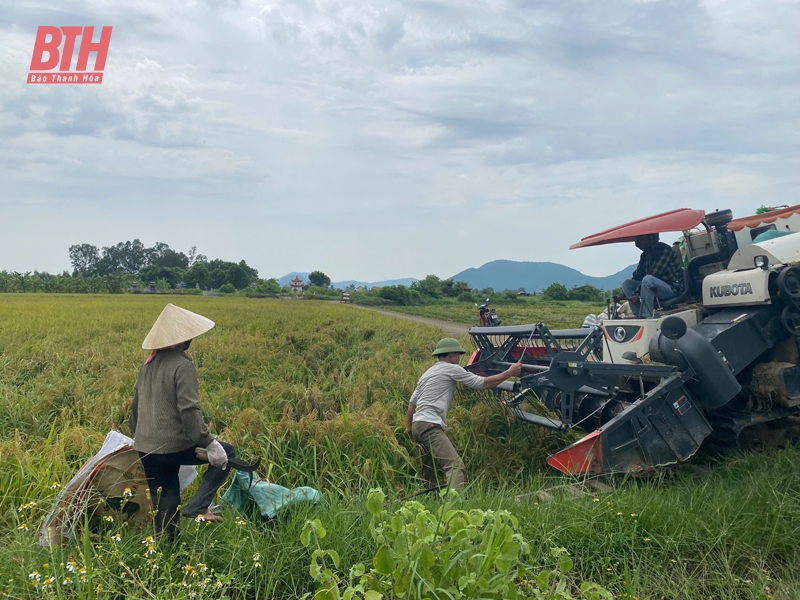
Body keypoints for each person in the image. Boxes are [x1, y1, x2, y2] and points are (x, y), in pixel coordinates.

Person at [129, 303, 236, 538]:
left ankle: (166, 551)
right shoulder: (182, 365)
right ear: (179, 341)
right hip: (172, 446)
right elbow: (189, 412)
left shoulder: (146, 366)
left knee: (166, 497)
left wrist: (139, 436)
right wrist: (209, 443)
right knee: (228, 453)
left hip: (145, 447)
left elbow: (135, 407)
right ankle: (198, 506)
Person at [405, 337, 522, 491]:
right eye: (458, 355)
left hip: (417, 426)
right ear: (451, 354)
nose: (459, 359)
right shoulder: (452, 368)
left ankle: (430, 500)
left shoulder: (428, 373)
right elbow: (483, 383)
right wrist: (509, 373)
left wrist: (409, 428)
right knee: (455, 465)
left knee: (430, 467)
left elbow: (412, 404)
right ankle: (454, 508)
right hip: (430, 425)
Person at [622, 233, 685, 318]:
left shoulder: (664, 250)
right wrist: (625, 294)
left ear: (651, 239)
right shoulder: (645, 255)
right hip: (653, 287)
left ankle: (646, 315)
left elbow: (654, 273)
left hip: (672, 288)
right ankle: (638, 315)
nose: (638, 244)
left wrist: (636, 292)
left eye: (642, 240)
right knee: (627, 283)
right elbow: (638, 276)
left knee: (648, 279)